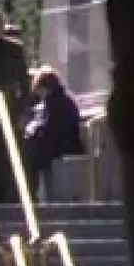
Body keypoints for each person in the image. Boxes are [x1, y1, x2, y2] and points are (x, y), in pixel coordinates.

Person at [0, 9, 32, 202]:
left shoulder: (14, 50)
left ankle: (6, 194)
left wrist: (24, 111)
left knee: (7, 153)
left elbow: (24, 83)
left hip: (8, 110)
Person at [20, 65, 85, 195]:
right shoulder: (62, 99)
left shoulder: (55, 102)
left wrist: (33, 133)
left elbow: (51, 127)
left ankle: (29, 191)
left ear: (45, 87)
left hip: (61, 145)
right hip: (66, 143)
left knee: (29, 154)